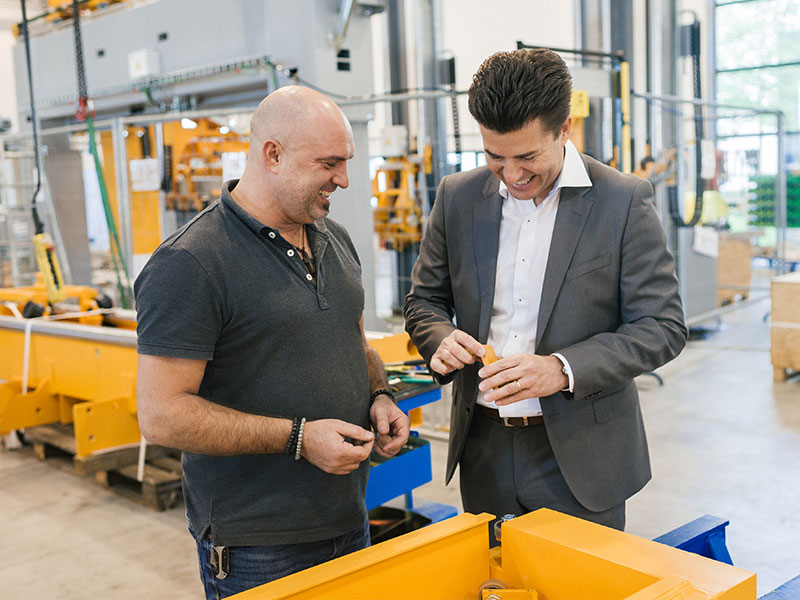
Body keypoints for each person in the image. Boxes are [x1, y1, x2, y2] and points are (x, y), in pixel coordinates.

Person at [135, 86, 410, 598]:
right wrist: (298, 438)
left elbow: (350, 338)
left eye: (345, 162)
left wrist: (379, 395)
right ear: (273, 155)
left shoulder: (334, 238)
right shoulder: (191, 262)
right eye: (328, 163)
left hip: (349, 518)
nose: (343, 180)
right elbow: (161, 414)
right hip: (258, 546)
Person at [404, 48, 687, 540]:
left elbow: (662, 326)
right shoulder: (457, 196)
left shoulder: (623, 201)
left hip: (581, 455)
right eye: (495, 156)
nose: (512, 175)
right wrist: (440, 337)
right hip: (484, 448)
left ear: (565, 130)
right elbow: (424, 301)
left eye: (528, 157)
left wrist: (560, 370)